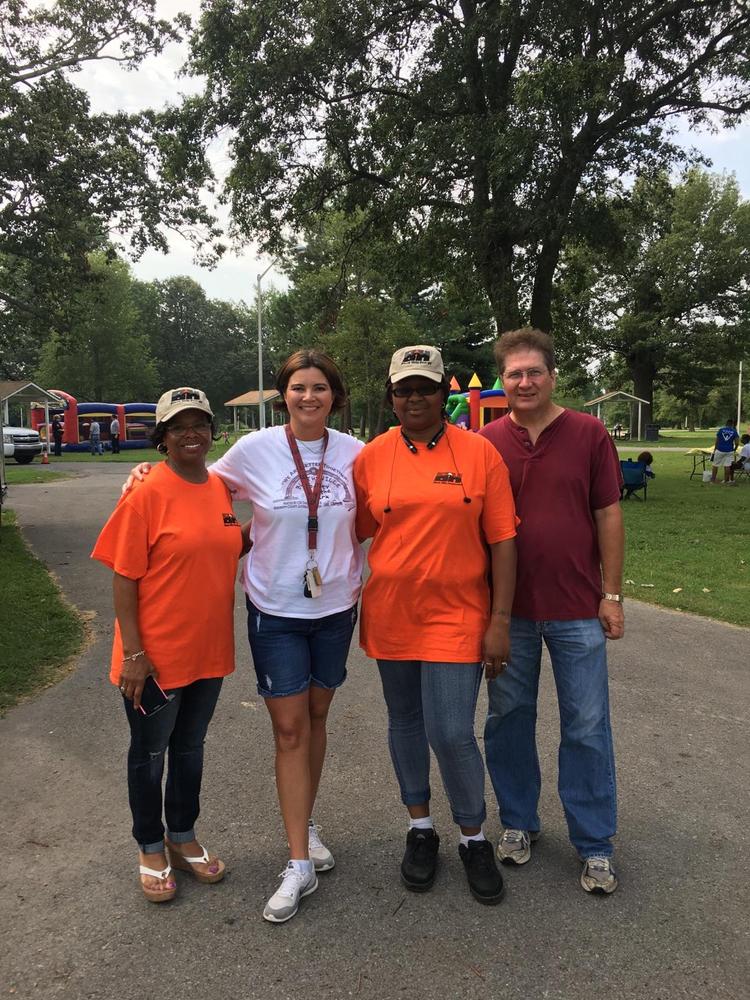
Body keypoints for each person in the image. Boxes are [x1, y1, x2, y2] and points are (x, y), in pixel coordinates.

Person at [126, 351, 364, 924]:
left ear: (335, 395)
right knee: (288, 730)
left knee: (317, 717)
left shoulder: (358, 453)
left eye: (320, 388)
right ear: (284, 396)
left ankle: (306, 823)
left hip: (335, 608)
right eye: (298, 389)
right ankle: (298, 862)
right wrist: (145, 473)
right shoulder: (255, 449)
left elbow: (386, 507)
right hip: (275, 609)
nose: (309, 397)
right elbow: (197, 481)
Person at [353, 345, 518, 906]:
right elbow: (345, 527)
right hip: (393, 613)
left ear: (444, 393)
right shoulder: (371, 458)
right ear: (391, 397)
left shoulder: (479, 453)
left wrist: (500, 621)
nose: (415, 397)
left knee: (451, 731)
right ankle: (420, 828)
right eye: (404, 389)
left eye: (425, 387)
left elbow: (503, 540)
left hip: (459, 615)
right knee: (404, 722)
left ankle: (473, 836)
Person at [479, 327, 625, 895]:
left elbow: (608, 514)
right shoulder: (486, 441)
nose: (523, 381)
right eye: (513, 373)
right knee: (508, 720)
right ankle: (518, 822)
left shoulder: (588, 434)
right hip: (509, 611)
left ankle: (594, 842)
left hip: (576, 609)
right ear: (503, 381)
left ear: (552, 376)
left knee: (587, 726)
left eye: (533, 372)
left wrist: (610, 595)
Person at [92, 387, 243, 903]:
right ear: (162, 436)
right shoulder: (147, 492)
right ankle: (150, 847)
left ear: (211, 430)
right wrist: (134, 655)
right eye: (179, 426)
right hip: (153, 661)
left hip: (208, 651)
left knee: (190, 749)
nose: (191, 434)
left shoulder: (219, 487)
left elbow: (222, 542)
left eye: (199, 423)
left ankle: (182, 836)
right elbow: (124, 576)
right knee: (150, 753)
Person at [710, 418, 740, 484]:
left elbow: (717, 441)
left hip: (719, 449)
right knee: (727, 465)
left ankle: (713, 480)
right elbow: (737, 442)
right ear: (732, 424)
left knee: (715, 465)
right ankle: (726, 481)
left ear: (726, 424)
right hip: (729, 450)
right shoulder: (734, 431)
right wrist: (735, 449)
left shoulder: (721, 430)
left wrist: (715, 449)